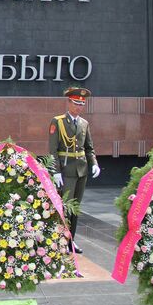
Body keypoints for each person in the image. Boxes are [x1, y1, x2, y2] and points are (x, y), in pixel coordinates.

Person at [48, 87, 100, 254]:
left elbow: (89, 147)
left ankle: (71, 240)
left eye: (82, 104)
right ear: (69, 102)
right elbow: (53, 150)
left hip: (81, 170)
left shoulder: (84, 123)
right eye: (76, 103)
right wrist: (56, 171)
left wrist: (94, 163)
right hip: (66, 170)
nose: (79, 107)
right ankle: (61, 240)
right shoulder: (58, 122)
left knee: (76, 208)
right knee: (65, 207)